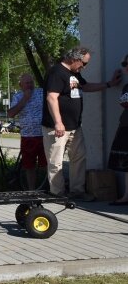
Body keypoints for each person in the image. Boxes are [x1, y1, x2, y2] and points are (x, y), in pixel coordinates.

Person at [41, 46, 121, 201]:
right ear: (73, 59)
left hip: (75, 127)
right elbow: (51, 97)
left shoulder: (74, 74)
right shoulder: (57, 72)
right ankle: (57, 195)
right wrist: (58, 122)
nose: (84, 67)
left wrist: (109, 84)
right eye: (83, 63)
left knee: (79, 158)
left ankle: (77, 190)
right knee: (55, 162)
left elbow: (86, 86)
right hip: (57, 127)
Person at [7, 73, 47, 190]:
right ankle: (31, 190)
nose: (30, 85)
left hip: (43, 134)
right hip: (28, 136)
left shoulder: (40, 92)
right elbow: (11, 114)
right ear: (21, 85)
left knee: (46, 164)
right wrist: (25, 99)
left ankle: (50, 187)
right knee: (29, 166)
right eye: (27, 83)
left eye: (31, 82)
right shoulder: (18, 96)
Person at [107, 54, 128, 205]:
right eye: (124, 64)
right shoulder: (127, 86)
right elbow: (124, 102)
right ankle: (126, 196)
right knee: (127, 165)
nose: (126, 67)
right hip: (126, 126)